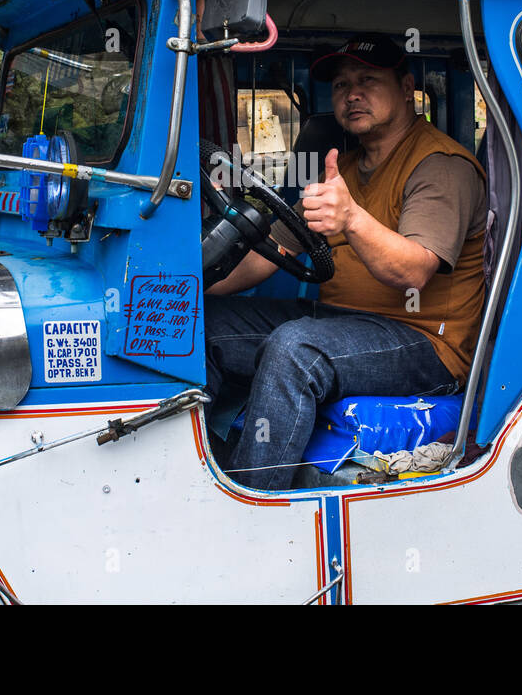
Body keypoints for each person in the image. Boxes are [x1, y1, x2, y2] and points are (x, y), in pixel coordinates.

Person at [204, 35, 489, 490]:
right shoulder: (344, 170)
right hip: (347, 324)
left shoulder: (441, 165)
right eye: (340, 85)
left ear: (407, 87)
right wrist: (194, 286)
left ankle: (253, 501)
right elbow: (272, 254)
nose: (351, 93)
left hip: (424, 344)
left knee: (296, 349)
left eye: (367, 81)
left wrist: (352, 218)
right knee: (206, 325)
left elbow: (414, 271)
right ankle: (199, 473)